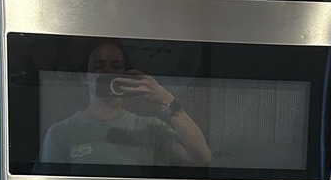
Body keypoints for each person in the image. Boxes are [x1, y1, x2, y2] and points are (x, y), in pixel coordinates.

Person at [39, 42, 212, 168]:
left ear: (125, 75)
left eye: (116, 67)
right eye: (98, 66)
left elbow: (202, 158)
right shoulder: (60, 133)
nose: (107, 73)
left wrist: (164, 98)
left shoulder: (149, 128)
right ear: (84, 76)